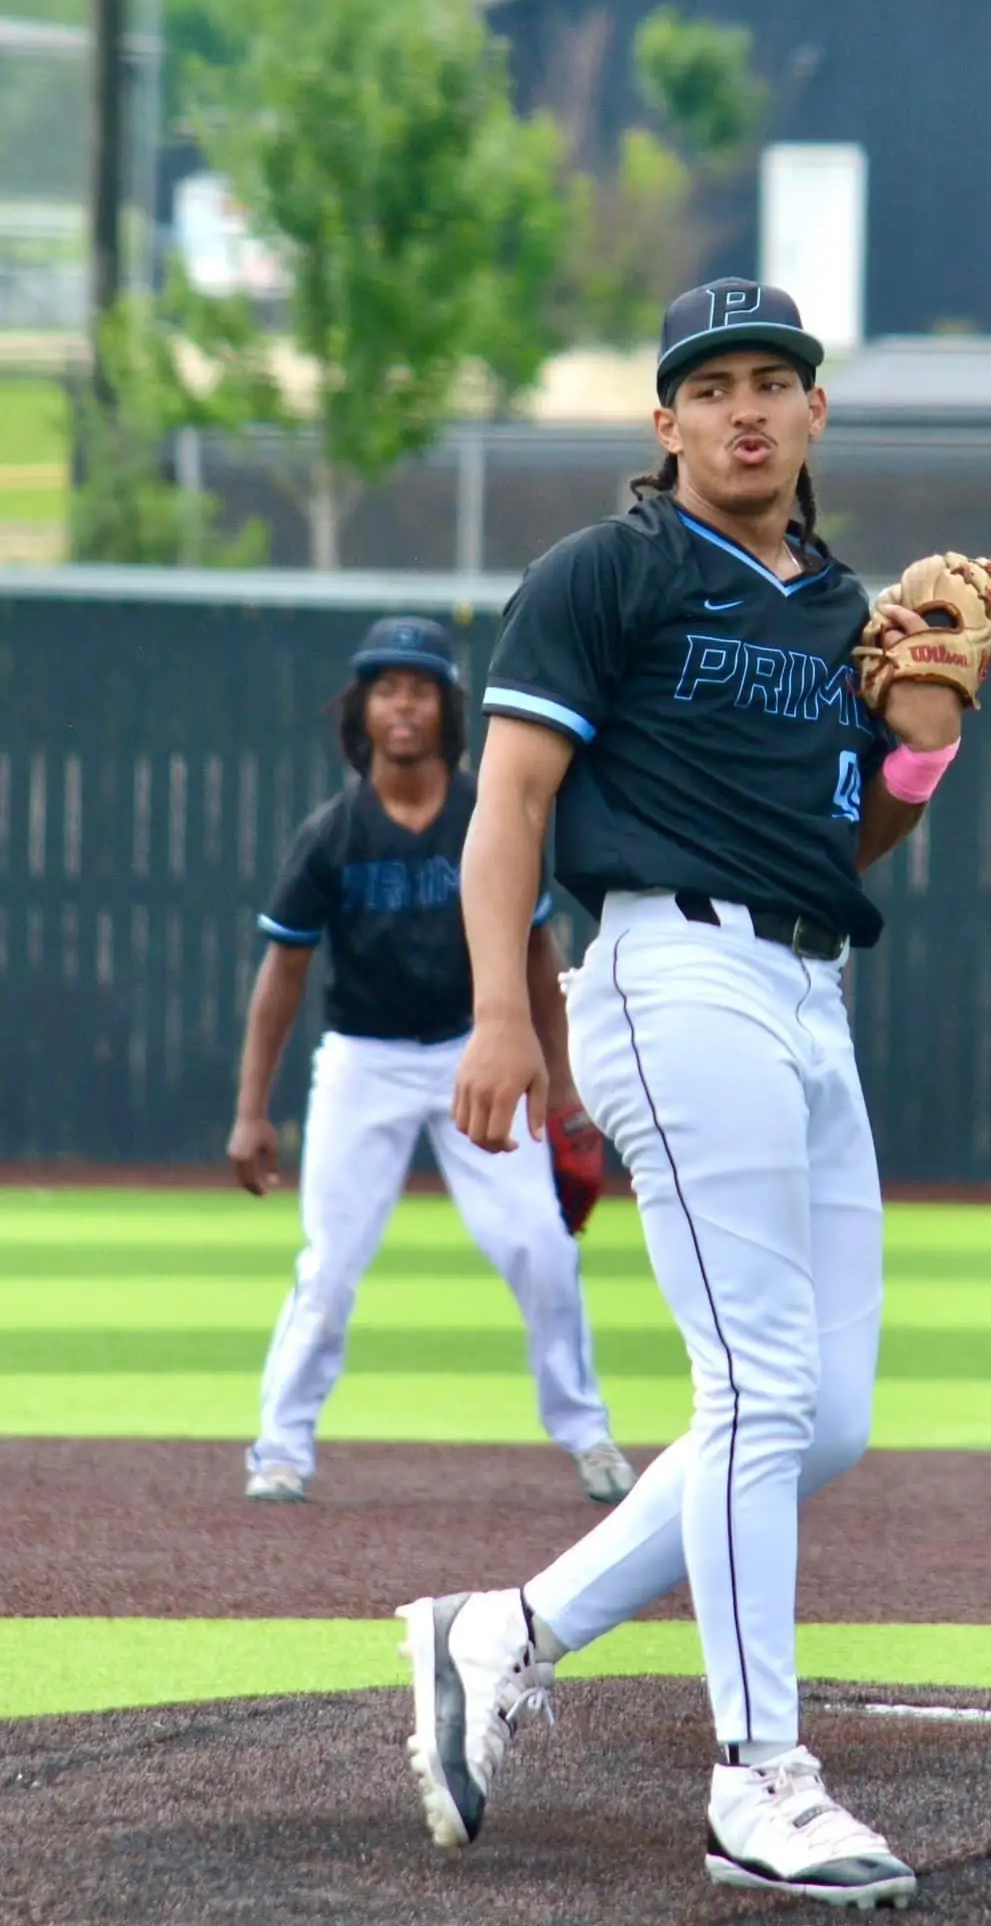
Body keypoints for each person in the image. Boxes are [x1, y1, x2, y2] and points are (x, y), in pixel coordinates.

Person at [397, 280, 991, 1911]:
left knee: (823, 1415)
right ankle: (756, 1778)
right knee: (754, 1381)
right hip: (668, 972)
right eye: (713, 384)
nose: (746, 407)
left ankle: (507, 1628)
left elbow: (853, 837)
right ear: (664, 421)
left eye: (773, 380)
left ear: (817, 413)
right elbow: (509, 801)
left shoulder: (847, 614)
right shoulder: (607, 573)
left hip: (809, 990)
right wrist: (500, 1013)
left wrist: (926, 736)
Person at [227, 616, 636, 1509]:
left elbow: (539, 954)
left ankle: (588, 1434)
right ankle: (280, 1448)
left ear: (447, 710)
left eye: (420, 689)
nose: (403, 705)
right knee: (329, 1267)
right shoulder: (332, 834)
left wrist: (564, 1087)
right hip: (364, 1060)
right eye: (386, 688)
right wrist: (253, 1109)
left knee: (541, 1247)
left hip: (472, 1051)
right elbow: (282, 975)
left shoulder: (485, 820)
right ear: (361, 709)